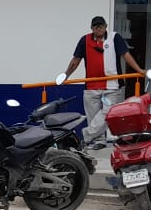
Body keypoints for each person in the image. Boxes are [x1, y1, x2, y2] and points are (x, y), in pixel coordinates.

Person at [62, 16, 144, 150]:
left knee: (108, 112)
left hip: (111, 86)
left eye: (100, 25)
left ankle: (87, 134)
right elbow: (76, 60)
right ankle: (98, 141)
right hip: (91, 86)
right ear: (91, 28)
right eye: (95, 26)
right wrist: (66, 75)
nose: (98, 28)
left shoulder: (114, 38)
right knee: (93, 115)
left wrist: (139, 70)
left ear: (106, 26)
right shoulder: (85, 40)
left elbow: (126, 55)